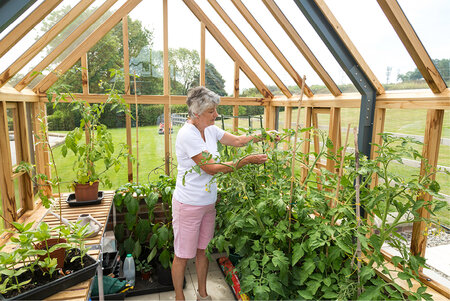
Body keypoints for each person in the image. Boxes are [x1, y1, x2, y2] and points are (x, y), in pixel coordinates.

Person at [171, 86, 270, 301]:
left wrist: (263, 135)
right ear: (196, 113)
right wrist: (245, 161)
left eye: (215, 110)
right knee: (182, 255)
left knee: (203, 251)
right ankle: (180, 297)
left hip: (208, 203)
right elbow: (211, 167)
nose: (216, 114)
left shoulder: (210, 130)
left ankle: (203, 295)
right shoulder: (187, 134)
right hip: (188, 205)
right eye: (211, 111)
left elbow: (237, 141)